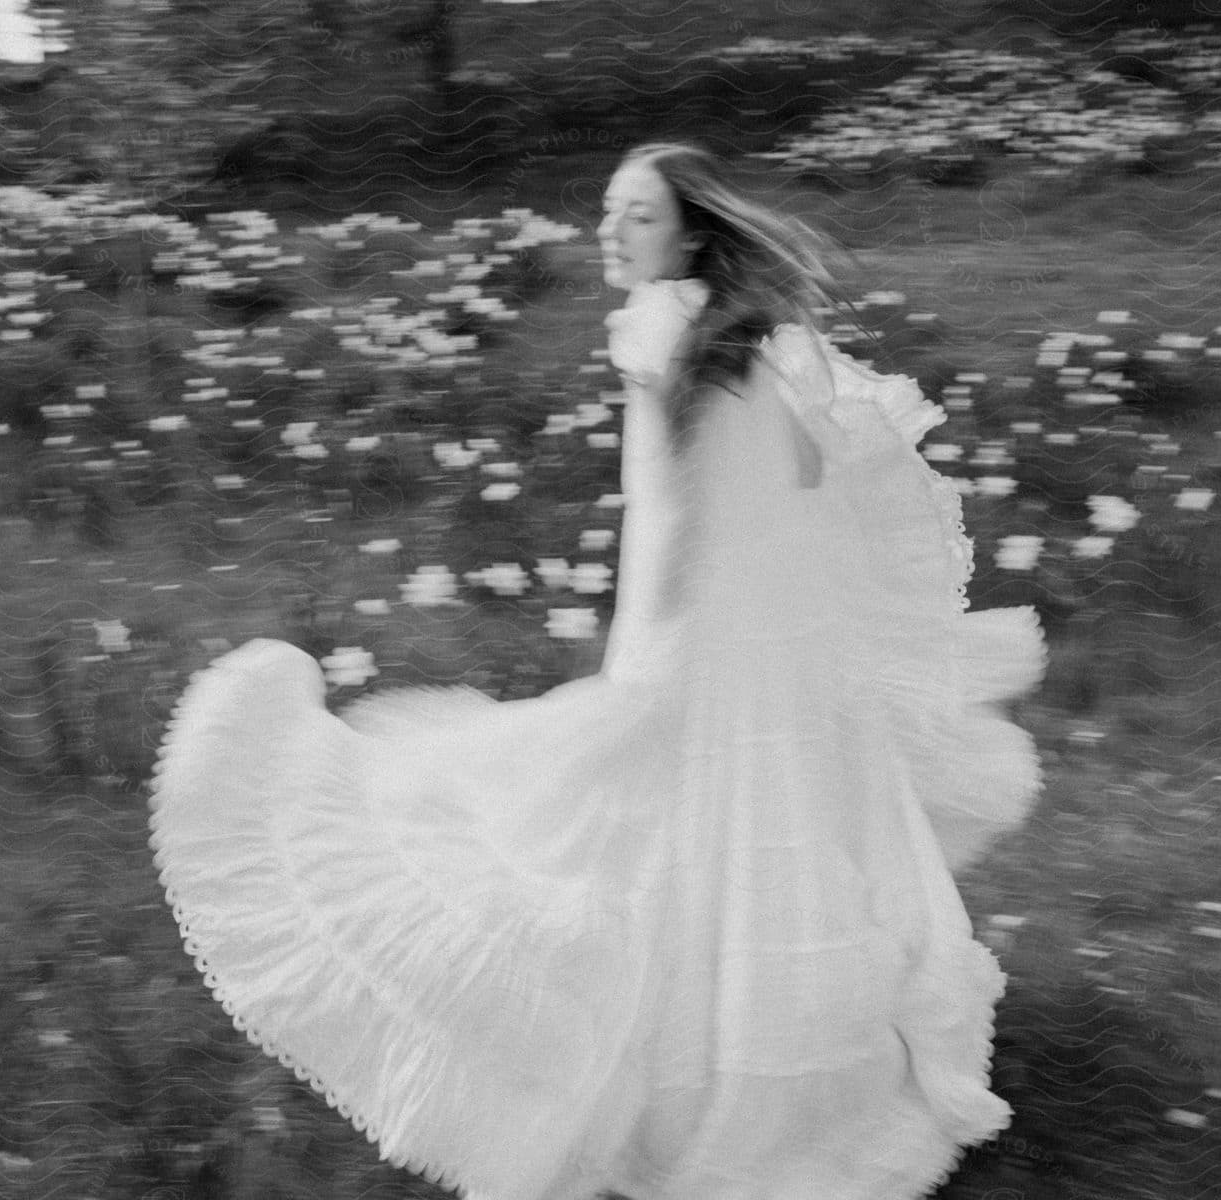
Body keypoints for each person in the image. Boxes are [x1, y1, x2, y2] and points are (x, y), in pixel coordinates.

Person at [148, 141, 1046, 1200]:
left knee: (581, 840)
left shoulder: (660, 335)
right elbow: (817, 488)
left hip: (687, 654)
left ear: (690, 235)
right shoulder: (772, 346)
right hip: (773, 666)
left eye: (635, 218)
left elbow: (663, 528)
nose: (607, 234)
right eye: (607, 213)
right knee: (742, 858)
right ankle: (769, 1070)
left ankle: (632, 1071)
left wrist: (641, 674)